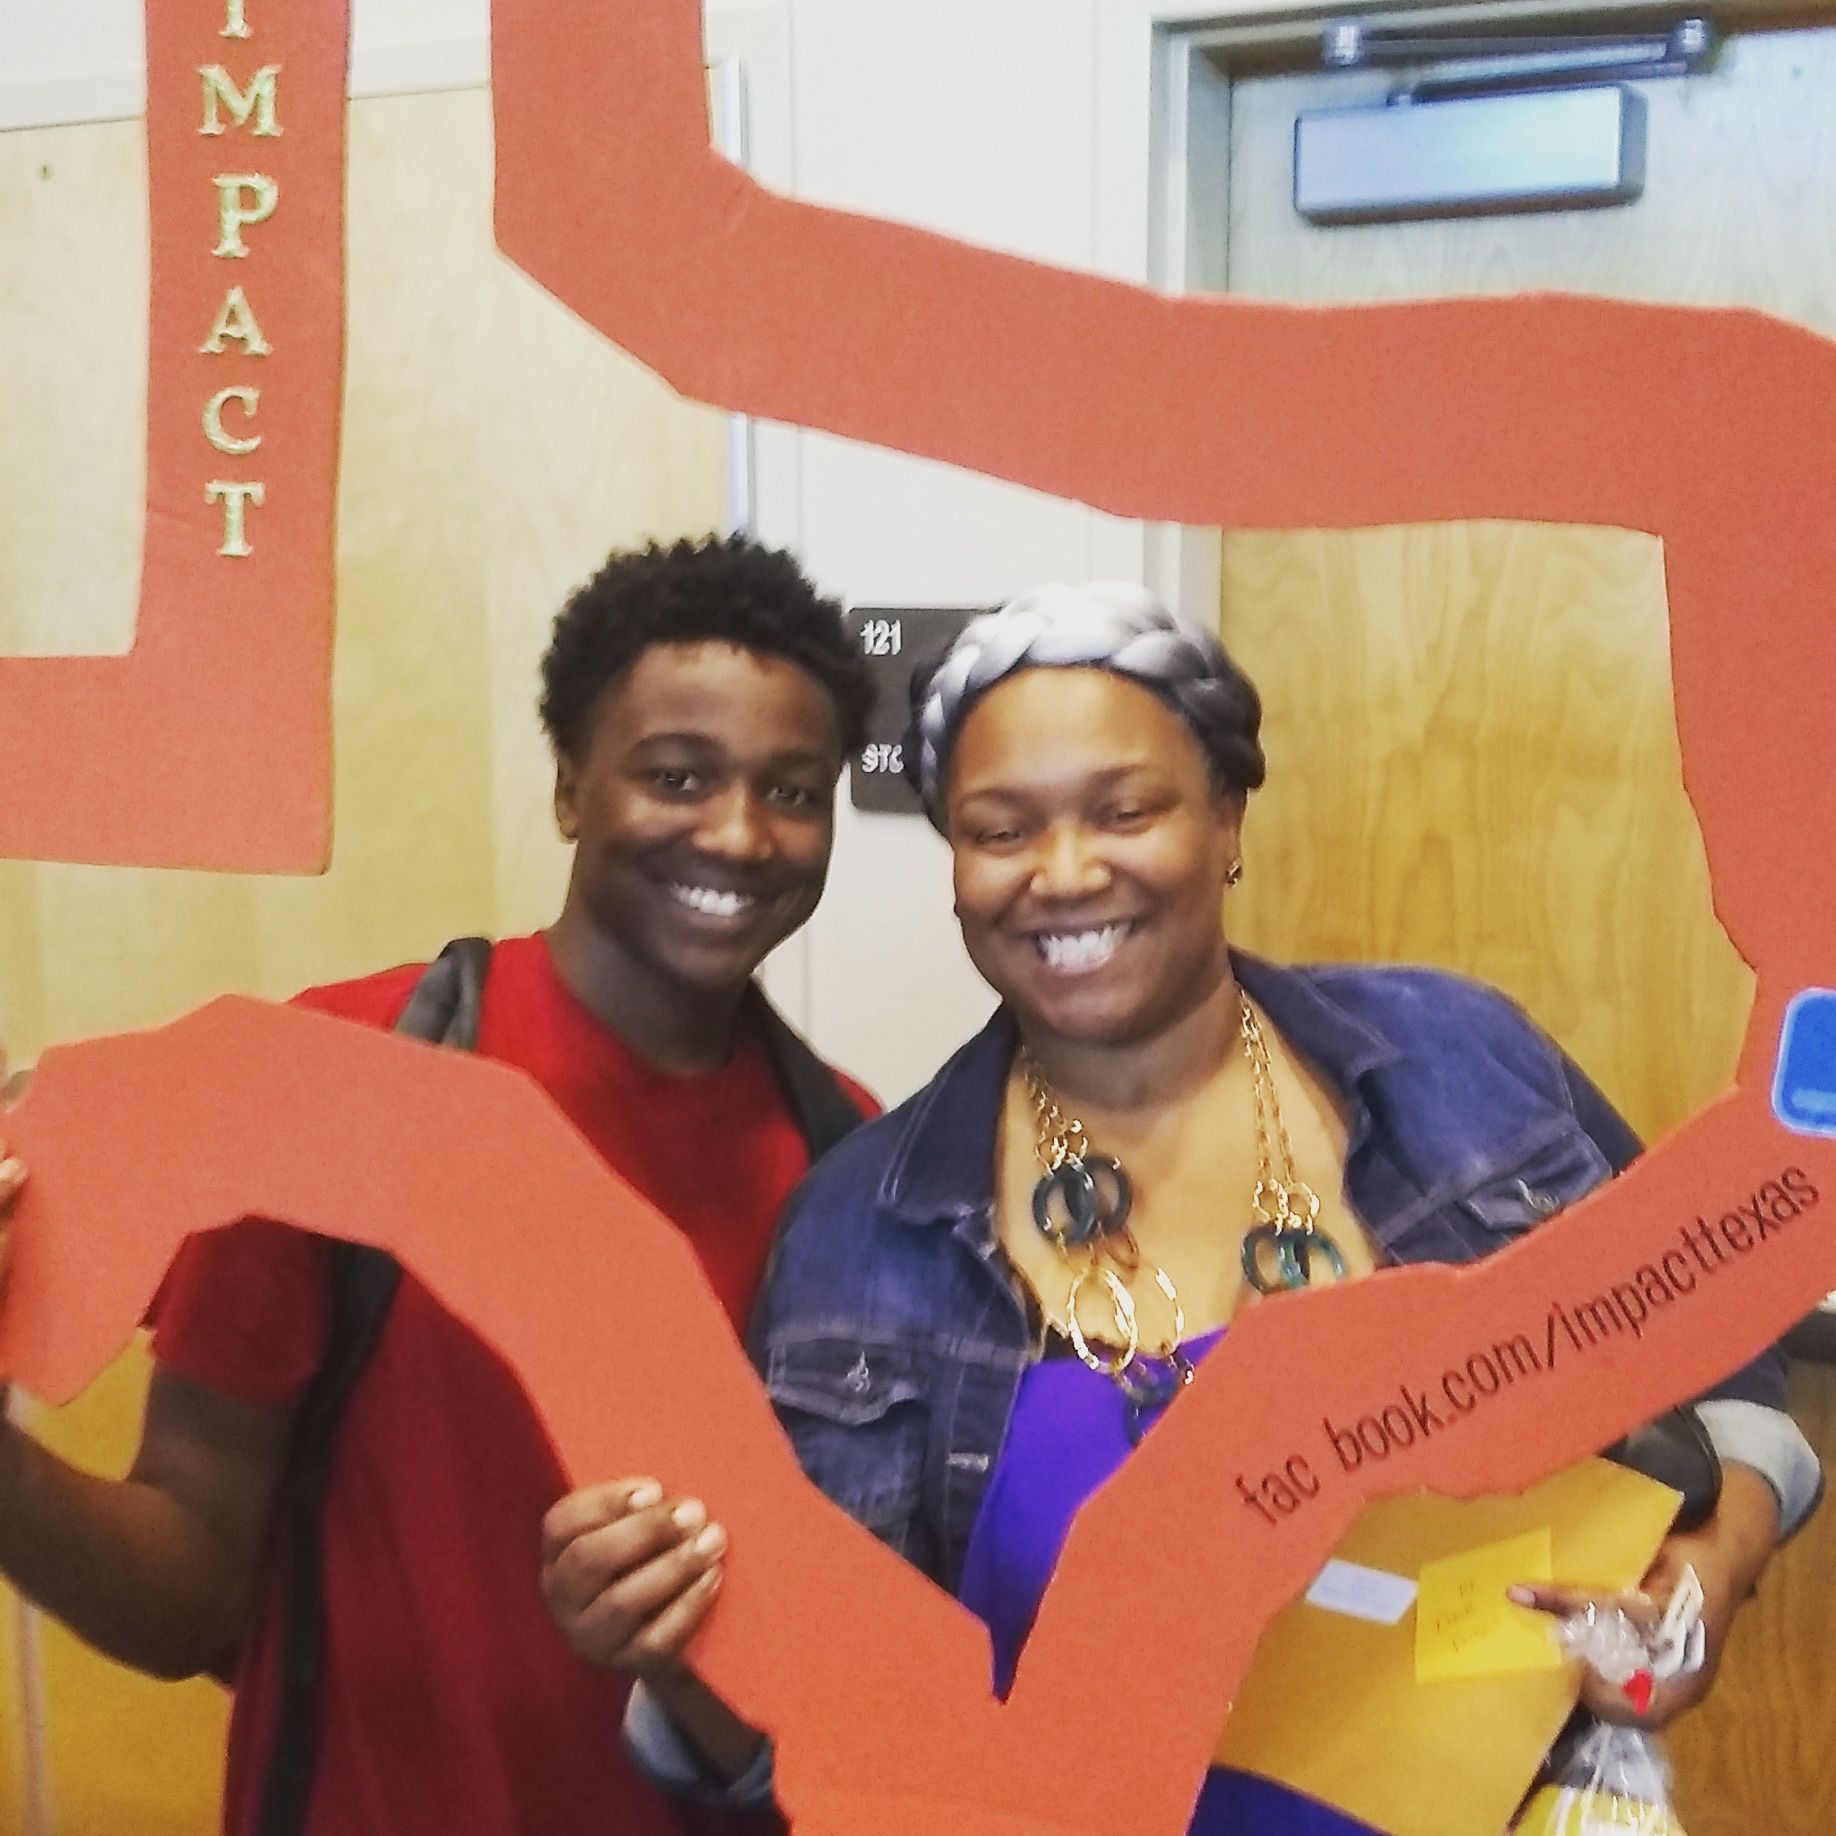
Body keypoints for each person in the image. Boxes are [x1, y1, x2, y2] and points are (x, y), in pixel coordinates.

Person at [544, 583, 1821, 1830]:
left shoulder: (1459, 1064)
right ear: (954, 869)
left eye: (1126, 809)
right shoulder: (858, 1234)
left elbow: (1727, 1361)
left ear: (1226, 816)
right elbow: (811, 1748)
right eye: (999, 830)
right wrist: (673, 1656)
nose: (1063, 871)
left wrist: (1706, 1577)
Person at [0, 533, 876, 1836]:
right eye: (677, 775)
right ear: (573, 786)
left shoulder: (852, 1161)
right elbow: (190, 1592)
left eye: (793, 790)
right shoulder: (334, 1084)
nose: (740, 833)